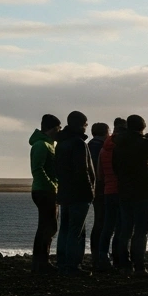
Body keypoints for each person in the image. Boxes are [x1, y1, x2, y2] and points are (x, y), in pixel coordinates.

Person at [112, 114, 148, 278]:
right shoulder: (145, 144)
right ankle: (139, 267)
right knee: (140, 232)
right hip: (143, 191)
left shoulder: (118, 145)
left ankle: (124, 265)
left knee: (125, 230)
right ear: (142, 127)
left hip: (124, 191)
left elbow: (115, 168)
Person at [54, 111, 96, 277]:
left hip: (65, 191)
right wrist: (90, 191)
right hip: (79, 193)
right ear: (80, 124)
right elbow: (82, 170)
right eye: (85, 123)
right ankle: (73, 265)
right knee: (76, 230)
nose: (86, 126)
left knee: (65, 228)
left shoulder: (62, 143)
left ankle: (62, 263)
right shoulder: (78, 143)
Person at [28, 114, 61, 275]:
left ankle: (39, 263)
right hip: (44, 191)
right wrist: (52, 185)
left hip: (45, 190)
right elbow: (37, 169)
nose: (60, 131)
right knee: (47, 227)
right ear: (53, 128)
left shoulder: (48, 145)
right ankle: (42, 262)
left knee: (47, 227)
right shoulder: (41, 145)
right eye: (58, 128)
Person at [97, 118, 125, 271]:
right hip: (121, 191)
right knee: (121, 227)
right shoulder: (122, 149)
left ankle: (102, 256)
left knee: (107, 226)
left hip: (108, 190)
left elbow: (100, 174)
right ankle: (117, 258)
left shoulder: (103, 149)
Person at [87, 121, 109, 272]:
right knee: (104, 223)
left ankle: (95, 256)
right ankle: (100, 257)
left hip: (93, 190)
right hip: (103, 189)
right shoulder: (103, 148)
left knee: (98, 222)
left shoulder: (87, 146)